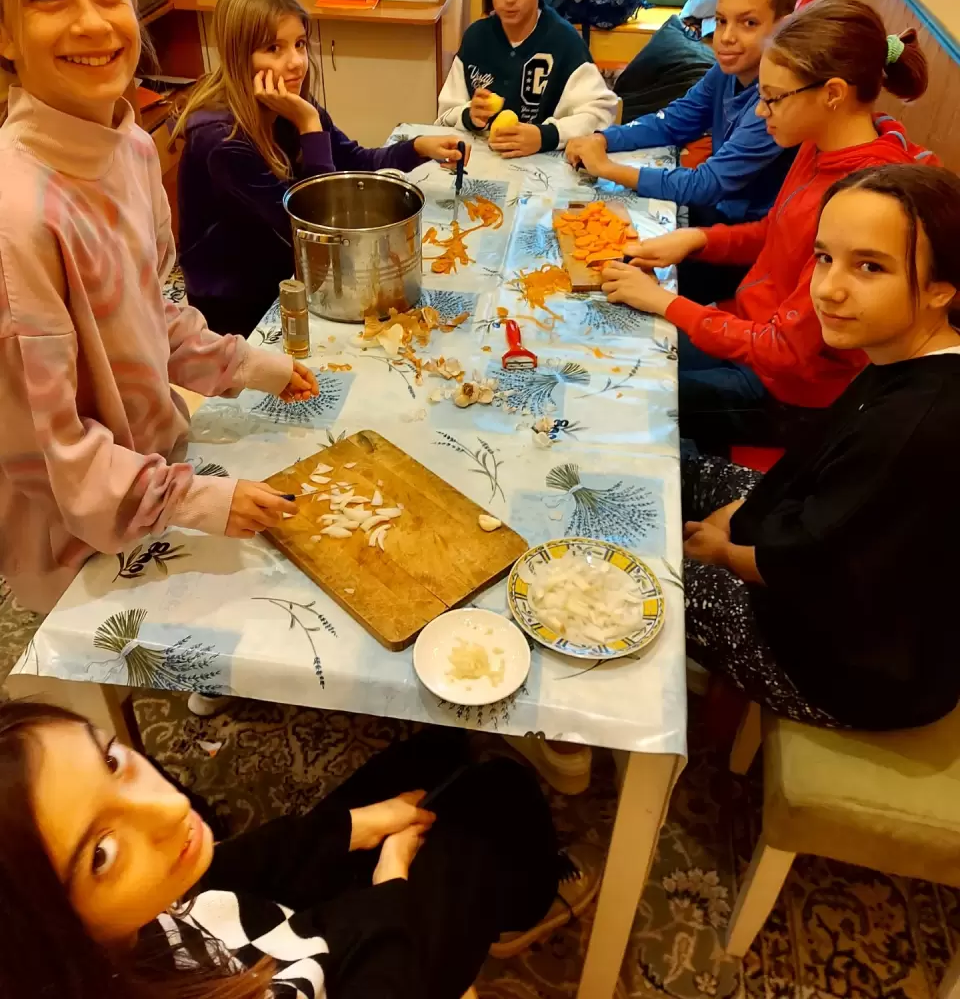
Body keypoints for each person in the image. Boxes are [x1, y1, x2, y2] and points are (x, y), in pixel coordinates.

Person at [0, 0, 316, 616]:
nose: (91, 23)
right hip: (78, 542)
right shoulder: (18, 217)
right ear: (5, 34)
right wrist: (197, 501)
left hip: (158, 471)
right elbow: (56, 453)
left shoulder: (134, 148)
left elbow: (156, 313)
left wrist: (254, 366)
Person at [0, 700, 602, 998]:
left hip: (277, 924)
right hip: (361, 969)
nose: (169, 809)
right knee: (502, 802)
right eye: (101, 853)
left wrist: (355, 826)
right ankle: (522, 907)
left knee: (432, 752)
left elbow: (226, 870)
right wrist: (390, 884)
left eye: (110, 761)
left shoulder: (125, 926)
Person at [678, 163, 960, 731]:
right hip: (836, 553)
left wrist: (723, 553)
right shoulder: (905, 349)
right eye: (825, 257)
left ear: (941, 288)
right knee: (676, 469)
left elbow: (810, 565)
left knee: (639, 582)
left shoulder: (915, 427)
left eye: (870, 267)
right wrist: (741, 514)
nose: (828, 288)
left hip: (848, 667)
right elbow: (816, 477)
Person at [600, 0, 934, 453]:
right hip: (750, 332)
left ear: (832, 94)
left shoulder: (867, 203)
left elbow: (786, 350)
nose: (761, 111)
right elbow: (775, 231)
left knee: (621, 388)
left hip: (786, 392)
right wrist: (697, 238)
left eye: (773, 98)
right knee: (621, 336)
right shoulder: (817, 142)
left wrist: (666, 302)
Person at [174, 0, 468, 337]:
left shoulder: (289, 107)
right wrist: (309, 124)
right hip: (240, 309)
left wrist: (418, 147)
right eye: (273, 48)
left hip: (288, 273)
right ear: (239, 56)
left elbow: (354, 160)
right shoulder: (221, 141)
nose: (296, 62)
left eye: (299, 44)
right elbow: (314, 228)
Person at [566, 0, 800, 227]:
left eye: (749, 23)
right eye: (721, 21)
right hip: (714, 213)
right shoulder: (725, 72)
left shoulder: (776, 103)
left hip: (744, 233)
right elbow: (673, 122)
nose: (726, 37)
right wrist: (604, 138)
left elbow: (707, 184)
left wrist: (608, 169)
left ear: (784, 27)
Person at [436, 0, 617, 158]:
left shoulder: (564, 42)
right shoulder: (476, 38)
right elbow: (444, 115)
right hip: (481, 166)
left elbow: (602, 114)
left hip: (545, 173)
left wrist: (546, 135)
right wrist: (469, 115)